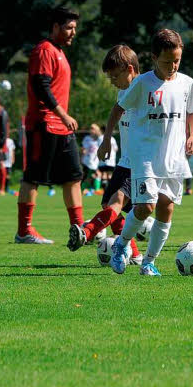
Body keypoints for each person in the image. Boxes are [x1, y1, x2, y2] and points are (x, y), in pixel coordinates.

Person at [108, 30, 193, 275]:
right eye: (167, 61)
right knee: (146, 206)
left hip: (173, 158)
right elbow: (118, 109)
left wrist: (192, 135)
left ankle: (149, 261)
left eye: (177, 60)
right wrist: (106, 139)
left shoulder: (186, 83)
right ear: (153, 57)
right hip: (146, 157)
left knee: (166, 207)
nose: (173, 66)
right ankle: (120, 246)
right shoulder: (142, 83)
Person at [67, 44, 142, 264]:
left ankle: (88, 231)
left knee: (116, 201)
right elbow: (115, 113)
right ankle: (135, 255)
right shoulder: (124, 91)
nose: (112, 82)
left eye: (115, 77)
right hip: (125, 160)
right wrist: (107, 140)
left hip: (141, 161)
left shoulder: (144, 88)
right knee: (109, 205)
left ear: (130, 69)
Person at [17, 7, 83, 245]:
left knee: (74, 177)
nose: (73, 32)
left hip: (62, 127)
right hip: (43, 124)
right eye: (68, 27)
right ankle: (24, 231)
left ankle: (80, 229)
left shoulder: (60, 52)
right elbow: (40, 86)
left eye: (75, 28)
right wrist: (63, 114)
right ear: (55, 26)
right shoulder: (44, 50)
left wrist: (63, 118)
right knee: (33, 177)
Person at [80, 123, 104, 192]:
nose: (91, 130)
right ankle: (88, 189)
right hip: (87, 161)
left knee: (94, 175)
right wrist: (82, 154)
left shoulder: (100, 138)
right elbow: (83, 148)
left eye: (93, 128)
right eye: (91, 128)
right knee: (90, 176)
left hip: (95, 161)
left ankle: (89, 189)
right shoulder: (87, 138)